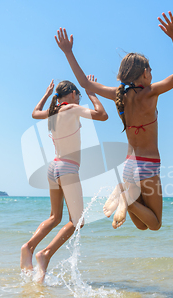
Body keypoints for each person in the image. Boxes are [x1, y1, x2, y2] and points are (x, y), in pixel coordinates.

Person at [55, 11, 173, 231]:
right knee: (154, 224)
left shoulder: (120, 95)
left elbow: (84, 84)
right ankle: (125, 198)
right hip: (148, 166)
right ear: (145, 73)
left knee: (142, 226)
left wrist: (68, 52)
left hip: (129, 167)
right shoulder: (150, 93)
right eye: (151, 71)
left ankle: (123, 192)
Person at [20, 76, 107, 281]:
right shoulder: (71, 109)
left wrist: (46, 95)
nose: (79, 98)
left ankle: (28, 247)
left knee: (55, 217)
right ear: (72, 94)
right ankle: (45, 254)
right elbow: (102, 115)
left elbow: (34, 113)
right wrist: (91, 91)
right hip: (68, 169)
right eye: (78, 94)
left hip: (53, 168)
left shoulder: (53, 112)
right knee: (78, 221)